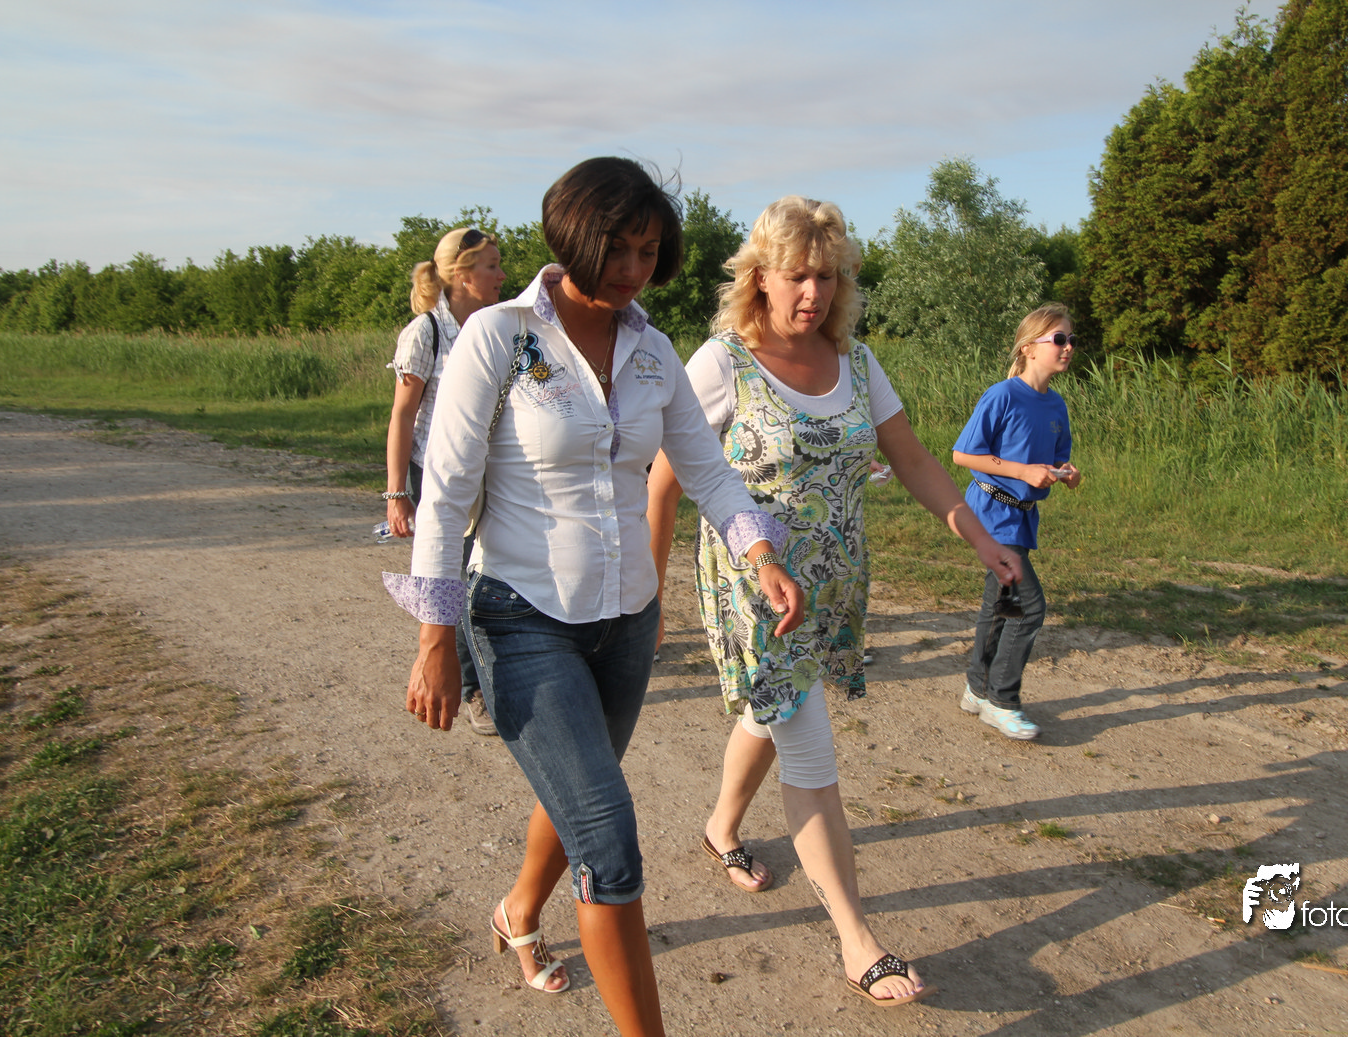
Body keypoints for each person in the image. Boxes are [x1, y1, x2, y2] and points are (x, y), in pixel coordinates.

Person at [383, 157, 803, 1037]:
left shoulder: (652, 352)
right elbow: (446, 493)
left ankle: (517, 911)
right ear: (575, 235)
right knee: (608, 837)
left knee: (579, 788)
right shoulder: (500, 337)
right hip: (521, 618)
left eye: (648, 252)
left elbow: (707, 470)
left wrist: (758, 550)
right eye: (618, 248)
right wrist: (434, 635)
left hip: (626, 623)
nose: (632, 269)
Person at [646, 197, 1021, 1007]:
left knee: (774, 711)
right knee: (809, 746)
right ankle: (857, 939)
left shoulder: (856, 360)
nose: (811, 292)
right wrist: (647, 591)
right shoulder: (721, 362)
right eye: (795, 275)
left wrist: (976, 534)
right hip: (755, 587)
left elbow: (910, 457)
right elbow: (665, 479)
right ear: (759, 277)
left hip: (833, 581)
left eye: (825, 275)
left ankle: (719, 827)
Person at [384, 226, 506, 736]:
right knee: (455, 583)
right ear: (461, 275)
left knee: (489, 573)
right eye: (492, 266)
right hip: (440, 476)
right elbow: (402, 416)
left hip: (491, 472)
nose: (502, 276)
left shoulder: (498, 327)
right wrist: (397, 493)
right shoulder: (426, 333)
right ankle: (474, 689)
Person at [952, 303, 1083, 740]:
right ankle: (1001, 702)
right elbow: (963, 454)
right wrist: (1023, 471)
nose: (1068, 347)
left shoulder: (1056, 404)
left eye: (1071, 340)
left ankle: (977, 689)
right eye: (1059, 339)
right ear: (1028, 348)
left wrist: (1066, 472)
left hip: (1023, 517)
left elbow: (1057, 457)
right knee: (1029, 607)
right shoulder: (1002, 395)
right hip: (992, 512)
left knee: (1001, 602)